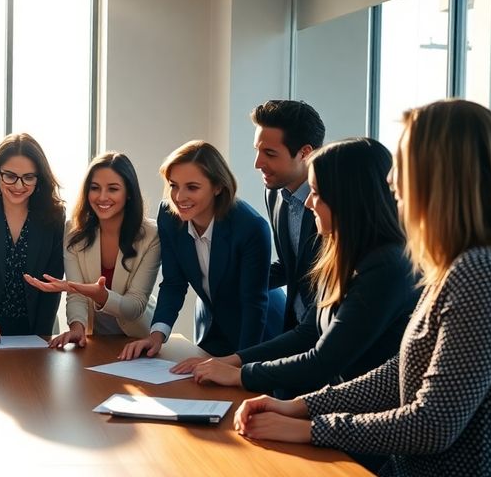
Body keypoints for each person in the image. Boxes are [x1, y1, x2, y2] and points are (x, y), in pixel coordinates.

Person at [234, 100, 491, 477]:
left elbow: (432, 424)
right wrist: (303, 406)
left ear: (438, 182)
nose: (392, 189)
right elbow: (401, 372)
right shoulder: (467, 264)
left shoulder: (488, 272)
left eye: (401, 179)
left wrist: (311, 428)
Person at [174, 138, 418, 399]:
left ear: (349, 200)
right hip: (335, 399)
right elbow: (307, 333)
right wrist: (231, 360)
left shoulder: (386, 268)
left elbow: (325, 360)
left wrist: (241, 374)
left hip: (368, 410)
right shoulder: (338, 253)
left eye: (317, 194)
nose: (308, 204)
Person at [120, 140, 271, 360]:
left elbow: (254, 304)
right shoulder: (169, 216)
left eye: (192, 187)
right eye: (173, 185)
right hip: (213, 329)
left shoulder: (251, 227)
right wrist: (156, 335)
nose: (179, 197)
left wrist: (240, 363)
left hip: (258, 335)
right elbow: (174, 282)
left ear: (218, 187)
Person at [25, 152, 160, 347]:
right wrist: (76, 328)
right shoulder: (73, 230)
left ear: (128, 192)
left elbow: (134, 306)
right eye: (95, 188)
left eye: (113, 189)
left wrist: (98, 294)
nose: (102, 197)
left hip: (138, 339)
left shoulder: (151, 235)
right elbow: (76, 294)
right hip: (95, 340)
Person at [0, 133, 65, 341]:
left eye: (28, 177)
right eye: (10, 176)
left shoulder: (54, 215)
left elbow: (52, 282)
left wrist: (41, 337)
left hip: (35, 327)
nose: (18, 185)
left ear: (39, 178)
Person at [252, 100, 325, 336]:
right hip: (296, 330)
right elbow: (289, 266)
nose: (258, 163)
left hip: (329, 336)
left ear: (305, 152)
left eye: (269, 154)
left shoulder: (333, 204)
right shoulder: (274, 194)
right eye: (258, 151)